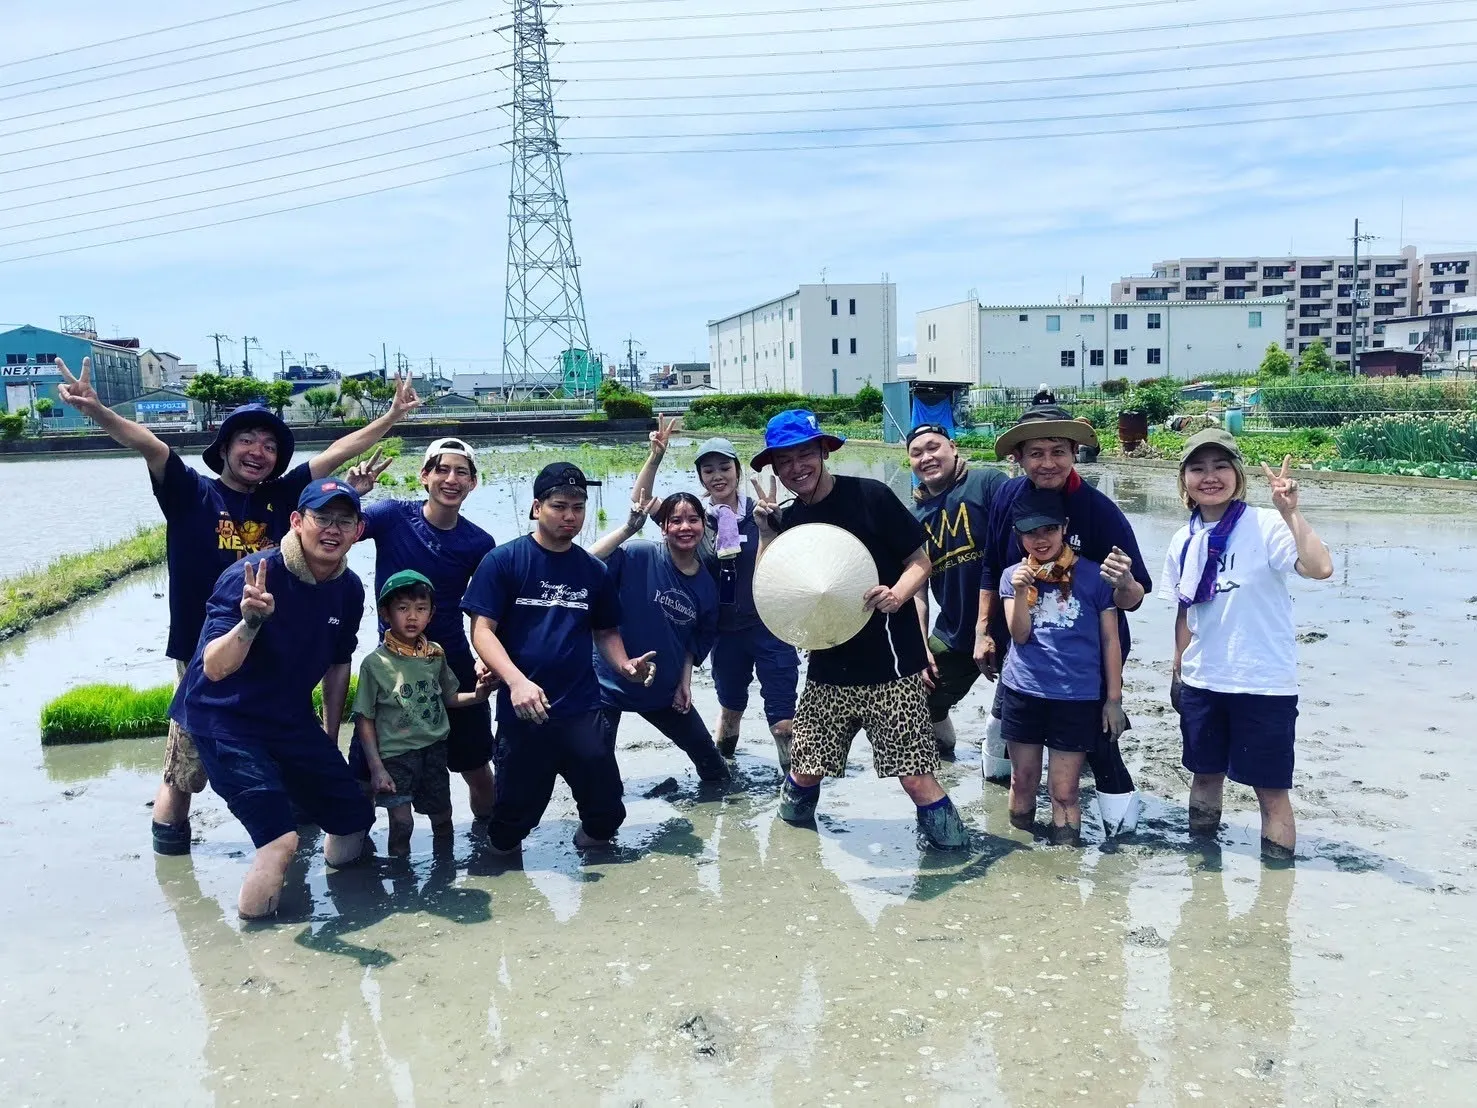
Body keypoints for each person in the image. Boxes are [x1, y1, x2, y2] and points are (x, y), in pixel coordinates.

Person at [54, 355, 419, 856]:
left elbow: (335, 453)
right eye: (246, 440)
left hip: (283, 650)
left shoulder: (280, 499)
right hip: (211, 651)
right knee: (185, 764)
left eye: (270, 445)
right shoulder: (191, 494)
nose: (259, 451)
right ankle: (176, 873)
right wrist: (98, 412)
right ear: (223, 448)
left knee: (288, 742)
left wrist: (393, 415)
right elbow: (151, 445)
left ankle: (288, 837)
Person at [750, 409, 970, 850]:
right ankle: (788, 857)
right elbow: (773, 595)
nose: (797, 468)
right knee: (804, 769)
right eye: (786, 461)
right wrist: (765, 532)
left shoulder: (871, 496)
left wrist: (899, 594)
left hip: (893, 668)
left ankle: (957, 854)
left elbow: (920, 560)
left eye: (805, 454)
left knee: (916, 779)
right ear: (775, 468)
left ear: (823, 452)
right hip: (829, 667)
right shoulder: (788, 521)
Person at [169, 478, 374, 920]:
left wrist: (329, 736)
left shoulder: (349, 588)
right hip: (226, 719)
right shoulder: (253, 577)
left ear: (359, 531)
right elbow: (214, 668)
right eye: (322, 518)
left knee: (353, 815)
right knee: (279, 840)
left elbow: (339, 664)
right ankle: (259, 952)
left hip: (286, 716)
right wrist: (250, 623)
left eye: (345, 520)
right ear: (297, 522)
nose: (332, 530)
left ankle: (356, 908)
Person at [462, 462, 657, 855]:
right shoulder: (504, 561)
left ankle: (594, 879)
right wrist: (516, 681)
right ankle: (505, 881)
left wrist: (625, 666)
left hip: (582, 708)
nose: (570, 516)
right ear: (537, 508)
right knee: (512, 820)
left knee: (606, 812)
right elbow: (482, 631)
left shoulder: (593, 571)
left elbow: (605, 632)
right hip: (524, 713)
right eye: (559, 506)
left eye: (578, 507)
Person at [977, 404, 1151, 836]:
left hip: (1088, 660)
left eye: (1058, 450)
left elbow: (1135, 596)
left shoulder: (1098, 510)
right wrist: (983, 629)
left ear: (1075, 452)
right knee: (1018, 758)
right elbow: (991, 565)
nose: (1048, 462)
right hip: (1027, 648)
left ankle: (1118, 834)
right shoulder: (1006, 497)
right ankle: (1015, 837)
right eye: (1036, 453)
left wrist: (1124, 581)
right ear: (1018, 458)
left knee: (1099, 752)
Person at [1160, 431, 1333, 864]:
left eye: (1220, 466)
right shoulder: (1184, 539)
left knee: (1271, 791)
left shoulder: (1267, 525)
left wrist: (1292, 513)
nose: (1209, 477)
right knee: (1203, 778)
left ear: (1237, 474)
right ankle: (1201, 872)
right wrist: (1178, 669)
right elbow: (1186, 611)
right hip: (1203, 681)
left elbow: (1321, 568)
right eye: (1197, 468)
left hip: (1263, 683)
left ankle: (1275, 891)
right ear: (1184, 481)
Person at [346, 437, 499, 820]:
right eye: (442, 470)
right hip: (391, 666)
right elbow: (332, 532)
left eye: (461, 472)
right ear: (424, 476)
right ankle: (352, 847)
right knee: (363, 773)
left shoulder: (479, 542)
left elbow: (485, 609)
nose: (451, 479)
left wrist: (485, 658)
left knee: (476, 766)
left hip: (451, 660)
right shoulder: (391, 516)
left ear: (473, 483)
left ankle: (496, 846)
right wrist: (352, 494)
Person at [631, 423, 800, 768]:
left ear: (738, 470)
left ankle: (794, 790)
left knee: (784, 723)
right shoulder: (693, 519)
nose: (717, 476)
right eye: (708, 470)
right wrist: (655, 457)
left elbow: (793, 570)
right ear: (701, 477)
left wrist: (770, 526)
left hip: (770, 628)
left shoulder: (765, 512)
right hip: (723, 634)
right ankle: (725, 774)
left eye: (724, 467)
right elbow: (643, 502)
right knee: (730, 711)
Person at [997, 488, 1126, 845]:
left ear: (1064, 527)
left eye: (1049, 530)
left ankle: (1065, 862)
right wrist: (1021, 593)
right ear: (1018, 535)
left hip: (1077, 696)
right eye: (1030, 532)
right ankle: (1018, 849)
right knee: (1022, 780)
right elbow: (1019, 635)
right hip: (1024, 691)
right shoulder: (1012, 576)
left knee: (1065, 790)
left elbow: (1110, 641)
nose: (1041, 540)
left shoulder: (1094, 577)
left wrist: (1113, 700)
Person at [354, 570, 497, 856]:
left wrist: (478, 695)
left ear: (431, 615)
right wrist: (376, 768)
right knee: (402, 823)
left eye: (421, 609)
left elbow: (448, 697)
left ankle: (443, 876)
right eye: (403, 608)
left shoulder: (435, 654)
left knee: (443, 818)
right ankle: (401, 878)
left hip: (434, 750)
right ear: (385, 614)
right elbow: (364, 717)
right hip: (395, 755)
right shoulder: (374, 663)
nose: (411, 617)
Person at [588, 490, 728, 783]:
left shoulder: (706, 586)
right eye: (674, 520)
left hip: (662, 689)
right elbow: (587, 561)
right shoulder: (639, 554)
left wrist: (684, 683)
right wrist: (628, 528)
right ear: (663, 527)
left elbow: (694, 641)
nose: (684, 527)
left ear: (704, 525)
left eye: (693, 519)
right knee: (596, 776)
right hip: (606, 684)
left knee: (714, 768)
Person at [906, 422, 1008, 756]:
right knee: (918, 695)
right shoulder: (915, 517)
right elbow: (917, 592)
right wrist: (919, 647)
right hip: (955, 632)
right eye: (917, 453)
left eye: (934, 447)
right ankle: (945, 754)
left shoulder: (988, 483)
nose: (927, 457)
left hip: (1013, 625)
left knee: (1020, 712)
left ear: (953, 446)